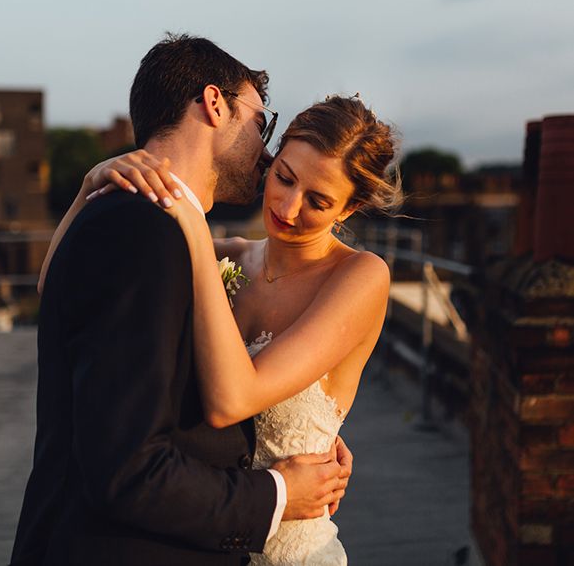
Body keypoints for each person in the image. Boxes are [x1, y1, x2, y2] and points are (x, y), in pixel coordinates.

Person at [10, 35, 352, 566]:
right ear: (215, 104)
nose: (266, 154)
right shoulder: (143, 232)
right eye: (260, 123)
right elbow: (128, 469)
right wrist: (278, 492)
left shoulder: (136, 221)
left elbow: (53, 291)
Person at [51, 94, 401, 565]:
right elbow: (53, 289)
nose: (288, 207)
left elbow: (232, 401)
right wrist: (89, 186)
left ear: (349, 208)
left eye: (318, 201)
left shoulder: (360, 277)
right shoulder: (226, 257)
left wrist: (194, 225)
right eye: (284, 177)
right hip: (199, 535)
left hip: (290, 551)